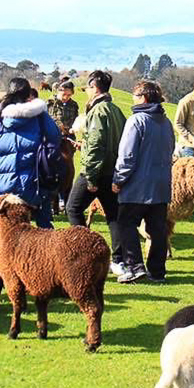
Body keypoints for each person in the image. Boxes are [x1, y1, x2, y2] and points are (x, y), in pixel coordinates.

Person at [112, 80, 176, 284]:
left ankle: (134, 266)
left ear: (144, 98)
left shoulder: (136, 120)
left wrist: (118, 179)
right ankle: (157, 271)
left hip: (137, 187)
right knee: (158, 229)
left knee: (126, 224)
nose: (133, 98)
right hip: (161, 185)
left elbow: (127, 156)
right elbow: (170, 151)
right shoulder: (166, 122)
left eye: (136, 95)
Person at [65, 70, 126, 275]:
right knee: (113, 215)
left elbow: (97, 144)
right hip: (112, 170)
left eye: (88, 88)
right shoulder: (116, 110)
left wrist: (90, 176)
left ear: (95, 88)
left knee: (73, 208)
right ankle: (119, 260)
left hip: (95, 171)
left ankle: (87, 254)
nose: (86, 92)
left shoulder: (98, 111)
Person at [0, 77, 61, 228]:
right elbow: (55, 136)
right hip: (33, 183)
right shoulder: (38, 115)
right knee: (44, 228)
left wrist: (4, 153)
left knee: (8, 232)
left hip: (4, 187)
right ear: (28, 95)